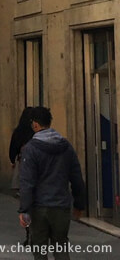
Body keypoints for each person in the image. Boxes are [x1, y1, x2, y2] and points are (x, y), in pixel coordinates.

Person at [18, 106, 86, 259]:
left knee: (39, 249)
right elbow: (76, 177)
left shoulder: (30, 149)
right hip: (61, 206)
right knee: (61, 247)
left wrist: (24, 210)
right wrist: (79, 204)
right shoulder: (66, 147)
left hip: (39, 207)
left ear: (35, 124)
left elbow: (27, 182)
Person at [9, 107, 35, 194]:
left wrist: (12, 160)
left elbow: (12, 148)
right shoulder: (35, 132)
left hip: (22, 161)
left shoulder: (18, 132)